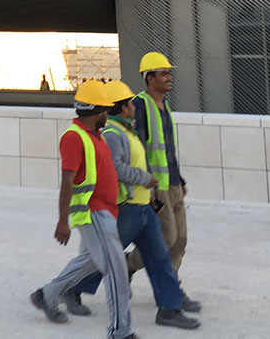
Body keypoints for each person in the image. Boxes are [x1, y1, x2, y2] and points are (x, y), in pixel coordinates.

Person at [68, 80, 201, 330]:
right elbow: (117, 169)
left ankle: (169, 309)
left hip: (142, 206)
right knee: (105, 257)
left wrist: (152, 196)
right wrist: (146, 180)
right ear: (121, 108)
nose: (133, 107)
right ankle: (70, 288)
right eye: (129, 104)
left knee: (160, 256)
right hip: (126, 206)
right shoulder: (112, 134)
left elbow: (144, 162)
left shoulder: (129, 131)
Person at [29, 81, 136, 339]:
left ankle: (48, 294)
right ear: (94, 110)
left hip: (104, 212)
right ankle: (120, 332)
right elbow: (67, 180)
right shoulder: (74, 138)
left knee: (90, 262)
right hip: (93, 213)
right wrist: (62, 221)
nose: (107, 115)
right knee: (116, 269)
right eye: (104, 110)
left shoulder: (94, 136)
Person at [128, 52, 196, 306]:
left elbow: (167, 148)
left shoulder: (165, 106)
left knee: (180, 240)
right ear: (149, 78)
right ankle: (128, 266)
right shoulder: (141, 106)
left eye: (169, 73)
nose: (169, 78)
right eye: (164, 73)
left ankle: (172, 288)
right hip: (156, 187)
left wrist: (179, 179)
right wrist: (150, 184)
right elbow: (140, 149)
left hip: (173, 184)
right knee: (165, 239)